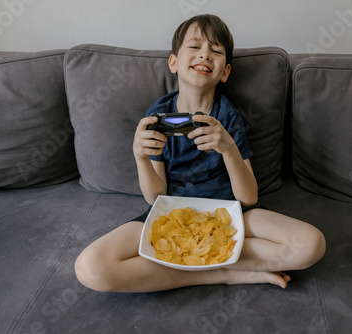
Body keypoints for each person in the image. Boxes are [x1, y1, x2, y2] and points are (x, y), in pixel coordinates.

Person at [75, 14, 325, 293]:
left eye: (215, 51)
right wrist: (140, 157)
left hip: (230, 214)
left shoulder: (228, 116)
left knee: (311, 244)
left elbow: (249, 197)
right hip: (170, 214)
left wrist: (228, 147)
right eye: (194, 47)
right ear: (174, 62)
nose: (205, 54)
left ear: (225, 71)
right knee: (91, 267)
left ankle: (196, 262)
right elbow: (155, 196)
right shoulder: (158, 116)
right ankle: (227, 273)